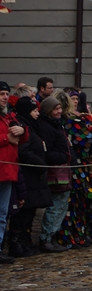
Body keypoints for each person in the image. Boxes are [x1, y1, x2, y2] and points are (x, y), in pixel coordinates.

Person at [54, 89, 92, 248]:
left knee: (79, 204)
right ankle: (70, 237)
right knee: (71, 205)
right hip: (72, 168)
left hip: (81, 167)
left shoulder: (77, 122)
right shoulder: (71, 124)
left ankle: (80, 235)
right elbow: (85, 143)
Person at [8, 96, 46, 257]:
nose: (37, 114)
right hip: (27, 173)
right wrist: (40, 163)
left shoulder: (32, 126)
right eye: (34, 111)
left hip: (34, 176)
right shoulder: (21, 125)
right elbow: (23, 151)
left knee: (30, 212)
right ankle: (17, 243)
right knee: (22, 212)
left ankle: (26, 241)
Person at [35, 96, 73, 251]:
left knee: (61, 204)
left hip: (62, 168)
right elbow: (48, 151)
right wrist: (63, 156)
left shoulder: (56, 125)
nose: (59, 111)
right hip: (55, 170)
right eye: (56, 109)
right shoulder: (47, 127)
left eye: (59, 108)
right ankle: (46, 237)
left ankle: (51, 236)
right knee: (56, 205)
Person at [0, 81, 24, 263]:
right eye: (1, 94)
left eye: (6, 94)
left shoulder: (9, 115)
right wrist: (6, 138)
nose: (5, 97)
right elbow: (7, 138)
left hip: (7, 170)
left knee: (2, 214)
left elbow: (24, 135)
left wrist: (22, 130)